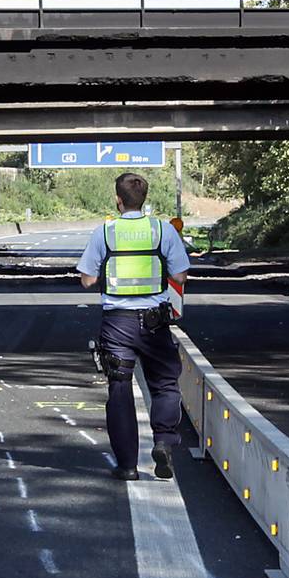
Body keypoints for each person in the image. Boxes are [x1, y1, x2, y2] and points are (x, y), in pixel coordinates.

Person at [75, 172, 192, 481]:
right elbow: (180, 276)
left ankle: (127, 466)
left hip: (117, 324)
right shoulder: (162, 230)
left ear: (118, 200)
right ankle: (164, 441)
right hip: (154, 322)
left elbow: (87, 280)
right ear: (145, 199)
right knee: (165, 383)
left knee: (119, 388)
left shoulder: (104, 232)